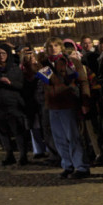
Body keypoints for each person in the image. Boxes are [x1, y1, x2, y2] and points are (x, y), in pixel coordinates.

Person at [39, 37, 91, 179]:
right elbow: (47, 82)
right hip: (53, 105)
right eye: (50, 46)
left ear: (61, 47)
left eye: (56, 45)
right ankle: (68, 165)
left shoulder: (71, 62)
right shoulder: (44, 65)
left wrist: (85, 102)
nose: (53, 48)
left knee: (73, 137)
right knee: (59, 138)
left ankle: (81, 166)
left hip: (68, 103)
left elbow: (83, 82)